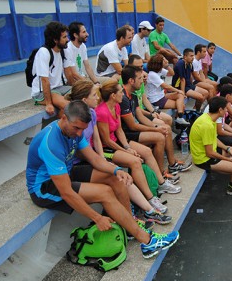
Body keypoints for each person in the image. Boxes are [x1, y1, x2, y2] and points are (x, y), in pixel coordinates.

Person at [25, 100, 179, 259]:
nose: (79, 134)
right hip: (43, 187)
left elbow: (95, 159)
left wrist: (117, 170)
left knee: (116, 179)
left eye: (82, 130)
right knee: (104, 192)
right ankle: (147, 242)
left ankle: (129, 225)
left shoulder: (74, 129)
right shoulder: (51, 143)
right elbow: (67, 193)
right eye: (76, 128)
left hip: (65, 172)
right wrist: (97, 218)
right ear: (63, 117)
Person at [64, 80, 172, 225]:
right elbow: (90, 147)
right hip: (82, 162)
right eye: (94, 95)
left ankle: (149, 209)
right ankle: (133, 218)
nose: (97, 97)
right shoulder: (80, 119)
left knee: (123, 171)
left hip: (95, 154)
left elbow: (96, 138)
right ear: (84, 100)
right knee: (119, 174)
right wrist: (103, 160)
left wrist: (107, 156)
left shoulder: (91, 113)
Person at [96, 79, 179, 214]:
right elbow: (106, 140)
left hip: (118, 142)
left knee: (146, 151)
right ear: (112, 95)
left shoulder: (115, 106)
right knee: (135, 161)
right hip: (107, 148)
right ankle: (150, 198)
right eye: (120, 91)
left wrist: (127, 147)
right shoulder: (102, 112)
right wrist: (126, 151)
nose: (122, 93)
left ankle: (161, 183)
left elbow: (119, 130)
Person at [119, 65, 192, 175]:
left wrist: (156, 127)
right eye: (139, 78)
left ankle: (172, 165)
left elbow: (140, 116)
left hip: (134, 129)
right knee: (159, 136)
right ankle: (161, 173)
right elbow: (132, 126)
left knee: (165, 128)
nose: (143, 80)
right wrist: (156, 130)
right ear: (131, 80)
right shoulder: (123, 98)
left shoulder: (132, 95)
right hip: (127, 134)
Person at [31, 21, 71, 116]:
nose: (68, 39)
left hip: (60, 88)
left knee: (84, 96)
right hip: (42, 92)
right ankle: (63, 130)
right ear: (55, 40)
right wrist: (49, 104)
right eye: (64, 37)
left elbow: (69, 73)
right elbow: (44, 80)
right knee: (68, 106)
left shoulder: (63, 51)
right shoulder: (44, 52)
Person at [128, 54, 173, 127]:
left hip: (144, 110)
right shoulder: (126, 81)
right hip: (137, 114)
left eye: (141, 66)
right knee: (163, 126)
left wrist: (153, 112)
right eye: (137, 67)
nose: (141, 70)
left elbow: (144, 99)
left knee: (168, 119)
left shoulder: (140, 78)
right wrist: (151, 114)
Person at [145, 54, 189, 126]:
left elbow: (172, 73)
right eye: (163, 60)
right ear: (158, 63)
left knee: (180, 95)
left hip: (162, 96)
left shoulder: (160, 70)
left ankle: (178, 119)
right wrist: (178, 90)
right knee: (182, 105)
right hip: (157, 100)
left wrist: (167, 65)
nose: (165, 60)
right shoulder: (152, 74)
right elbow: (165, 86)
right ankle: (178, 121)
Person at [64, 21, 100, 86]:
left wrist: (96, 82)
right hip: (75, 82)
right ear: (75, 35)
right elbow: (74, 74)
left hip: (83, 78)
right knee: (95, 91)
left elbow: (88, 67)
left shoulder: (83, 46)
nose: (87, 34)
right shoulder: (68, 49)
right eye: (84, 32)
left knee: (110, 82)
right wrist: (91, 84)